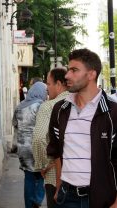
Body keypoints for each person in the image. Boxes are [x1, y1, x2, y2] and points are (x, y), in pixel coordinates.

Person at [47, 48, 117, 208]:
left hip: (101, 199)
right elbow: (56, 152)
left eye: (74, 70)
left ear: (91, 74)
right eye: (68, 69)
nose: (67, 75)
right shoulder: (60, 110)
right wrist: (58, 187)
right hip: (66, 197)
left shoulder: (112, 113)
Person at [32, 68, 68, 208]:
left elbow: (39, 138)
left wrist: (44, 165)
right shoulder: (78, 103)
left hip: (54, 176)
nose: (46, 88)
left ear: (59, 84)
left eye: (48, 84)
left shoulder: (48, 107)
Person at [12, 81, 47, 208]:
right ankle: (37, 198)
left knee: (29, 176)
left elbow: (15, 124)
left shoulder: (20, 106)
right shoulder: (40, 106)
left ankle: (29, 205)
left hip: (23, 148)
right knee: (43, 173)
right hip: (36, 146)